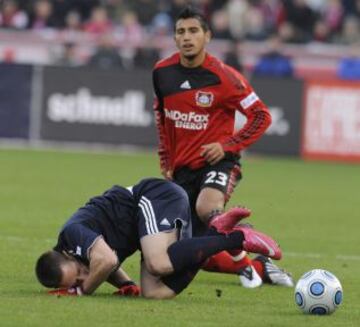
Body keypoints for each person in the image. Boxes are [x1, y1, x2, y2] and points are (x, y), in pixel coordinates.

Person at [152, 6, 293, 288]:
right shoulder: (162, 72)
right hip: (182, 170)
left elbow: (261, 116)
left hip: (219, 163)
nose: (186, 37)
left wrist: (227, 145)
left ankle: (240, 240)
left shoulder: (225, 77)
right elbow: (161, 112)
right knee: (189, 254)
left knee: (207, 207)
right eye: (180, 32)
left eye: (193, 31)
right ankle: (258, 265)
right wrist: (167, 157)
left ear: (207, 36)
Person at [35, 178, 282, 298]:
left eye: (78, 269)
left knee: (159, 263)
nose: (84, 275)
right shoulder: (79, 252)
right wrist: (126, 285)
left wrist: (81, 291)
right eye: (77, 280)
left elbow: (107, 261)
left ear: (67, 253)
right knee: (154, 292)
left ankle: (236, 238)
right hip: (145, 227)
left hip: (153, 197)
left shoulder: (72, 233)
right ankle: (217, 232)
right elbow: (103, 265)